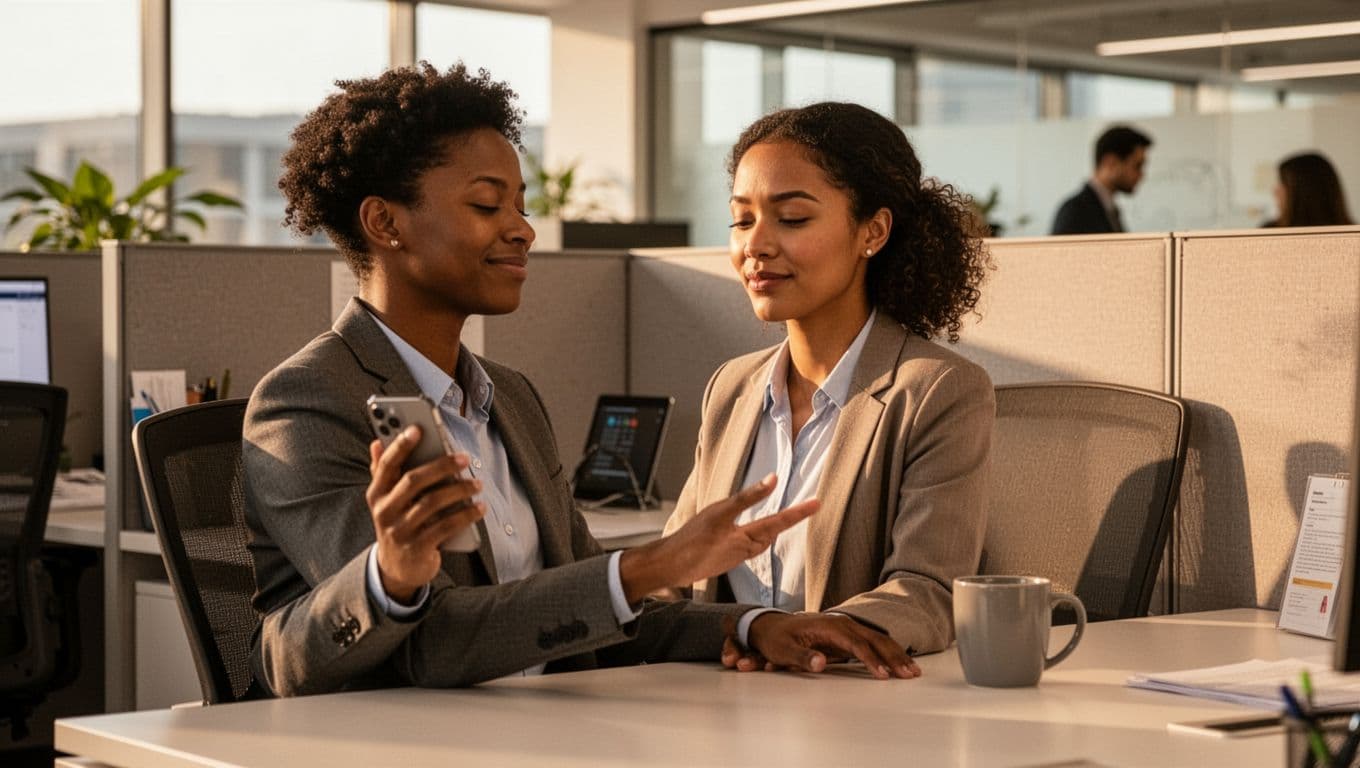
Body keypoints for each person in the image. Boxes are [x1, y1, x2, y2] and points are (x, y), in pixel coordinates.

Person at [244, 63, 919, 698]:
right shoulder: (309, 398)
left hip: (549, 728)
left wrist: (750, 626)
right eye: (487, 206)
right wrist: (656, 565)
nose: (523, 229)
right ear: (385, 222)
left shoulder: (507, 398)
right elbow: (434, 644)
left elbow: (590, 614)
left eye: (520, 204)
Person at [662, 102, 995, 662]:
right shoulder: (732, 389)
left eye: (791, 218)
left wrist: (809, 637)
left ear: (873, 231)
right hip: (717, 703)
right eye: (742, 219)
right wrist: (749, 629)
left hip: (849, 712)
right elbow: (670, 574)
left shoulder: (935, 391)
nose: (756, 245)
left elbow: (928, 593)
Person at [1050, 125, 1152, 235]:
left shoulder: (1109, 209)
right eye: (1137, 166)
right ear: (1110, 163)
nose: (1142, 175)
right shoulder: (1075, 211)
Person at [1265, 151, 1354, 228]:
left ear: (1303, 192)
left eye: (1283, 183)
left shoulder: (1354, 236)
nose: (1275, 191)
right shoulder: (1266, 233)